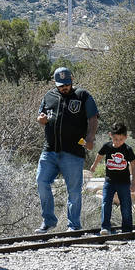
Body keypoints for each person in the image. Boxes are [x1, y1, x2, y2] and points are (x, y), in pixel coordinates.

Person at [35, 67, 98, 233]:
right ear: (55, 84)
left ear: (72, 81)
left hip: (73, 152)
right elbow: (41, 116)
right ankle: (48, 221)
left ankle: (73, 226)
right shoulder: (49, 96)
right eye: (61, 85)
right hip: (49, 150)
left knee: (74, 191)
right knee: (41, 182)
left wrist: (90, 138)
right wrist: (41, 120)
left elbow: (93, 117)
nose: (64, 87)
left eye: (67, 84)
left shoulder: (83, 96)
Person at [90, 122, 135, 235]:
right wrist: (94, 165)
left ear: (126, 137)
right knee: (106, 203)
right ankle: (105, 227)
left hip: (124, 183)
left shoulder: (127, 149)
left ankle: (127, 229)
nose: (118, 141)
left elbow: (134, 166)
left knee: (125, 205)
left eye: (121, 139)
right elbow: (99, 155)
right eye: (115, 139)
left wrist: (134, 182)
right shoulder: (107, 146)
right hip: (109, 182)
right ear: (110, 135)